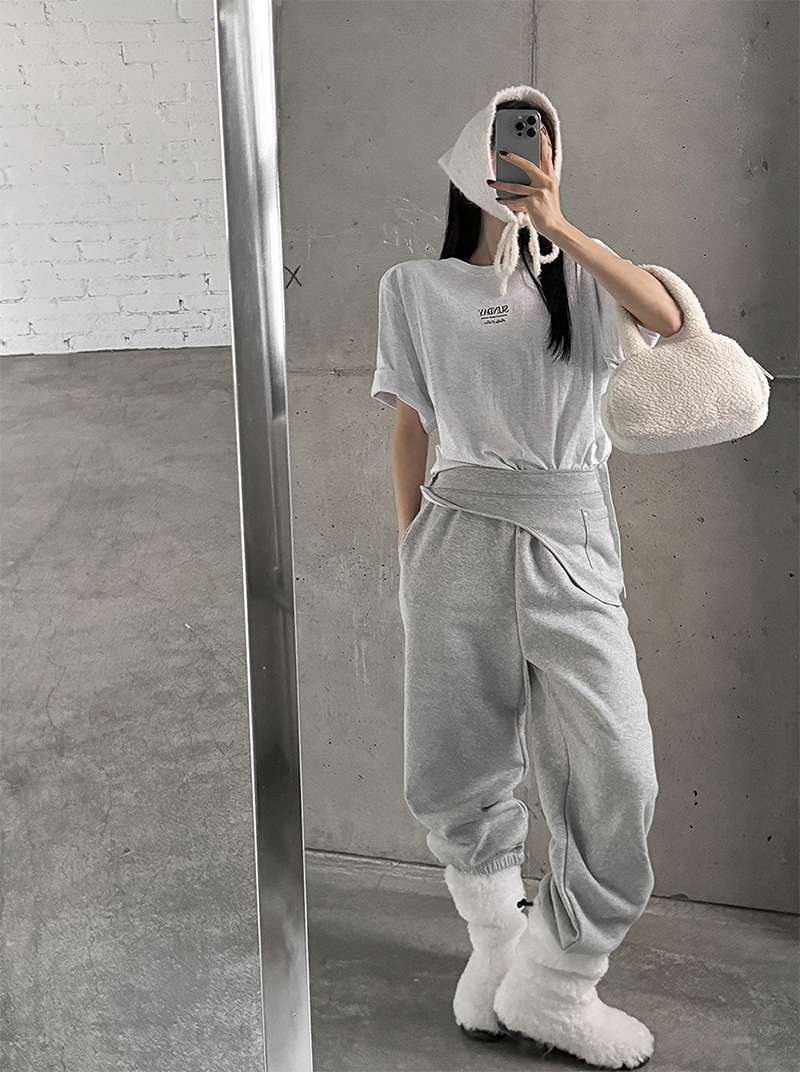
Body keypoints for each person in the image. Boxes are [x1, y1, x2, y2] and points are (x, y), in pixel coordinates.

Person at [370, 85, 683, 1071]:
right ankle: (498, 953)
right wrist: (411, 548)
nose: (528, 157)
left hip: (569, 530)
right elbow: (410, 425)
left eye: (543, 144)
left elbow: (668, 317)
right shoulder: (412, 287)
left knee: (619, 768)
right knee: (453, 760)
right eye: (513, 142)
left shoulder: (581, 275)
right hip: (454, 529)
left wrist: (556, 224)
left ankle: (557, 981)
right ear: (475, 156)